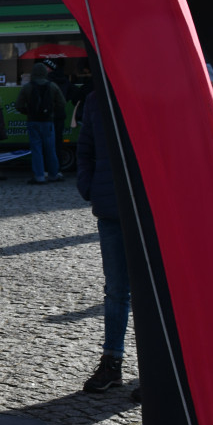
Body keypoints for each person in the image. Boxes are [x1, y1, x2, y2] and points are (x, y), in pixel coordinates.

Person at [76, 88, 134, 396]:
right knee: (115, 291)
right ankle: (112, 362)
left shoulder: (150, 88)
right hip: (111, 208)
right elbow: (85, 148)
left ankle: (159, 370)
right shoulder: (97, 98)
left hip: (150, 210)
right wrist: (90, 186)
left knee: (156, 294)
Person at [15, 62, 66, 184]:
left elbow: (18, 105)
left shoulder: (27, 87)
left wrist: (28, 112)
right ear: (44, 73)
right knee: (50, 149)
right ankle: (53, 174)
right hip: (48, 122)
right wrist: (51, 111)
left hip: (33, 121)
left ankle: (39, 176)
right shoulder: (52, 86)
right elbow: (62, 103)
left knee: (36, 149)